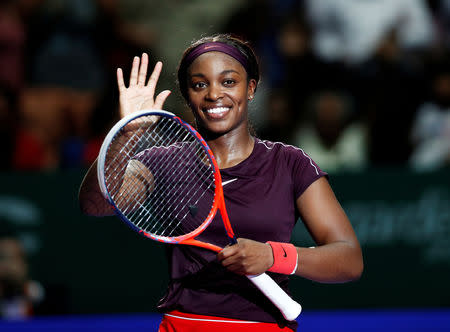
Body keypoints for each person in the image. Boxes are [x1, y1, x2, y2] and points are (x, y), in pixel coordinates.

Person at [79, 34, 363, 331]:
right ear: (188, 95)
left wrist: (273, 256)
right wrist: (126, 134)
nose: (214, 94)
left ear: (251, 88)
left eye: (228, 82)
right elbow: (95, 204)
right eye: (200, 84)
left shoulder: (290, 163)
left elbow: (349, 259)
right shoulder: (163, 160)